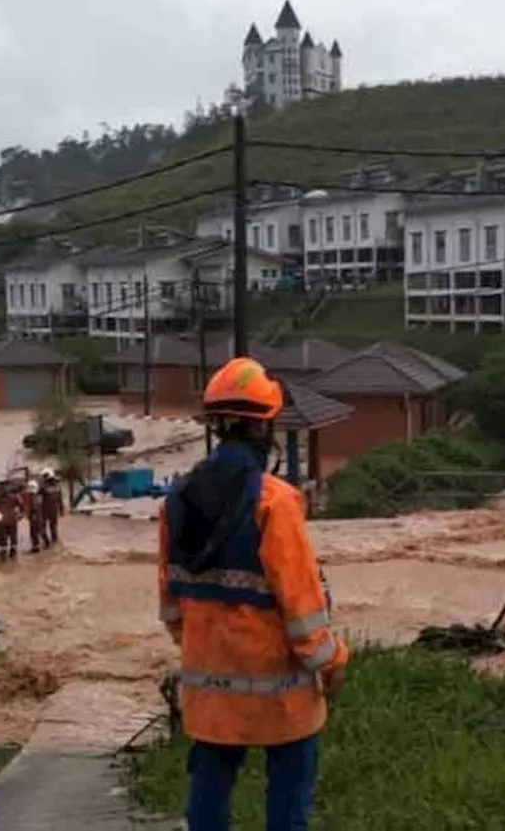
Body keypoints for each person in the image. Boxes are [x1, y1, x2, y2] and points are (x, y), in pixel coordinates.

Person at [159, 356, 349, 831]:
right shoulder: (275, 502)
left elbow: (170, 605)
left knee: (209, 789)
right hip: (280, 690)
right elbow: (302, 606)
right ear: (264, 428)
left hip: (208, 688)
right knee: (289, 787)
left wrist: (205, 649)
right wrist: (332, 662)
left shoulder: (176, 499)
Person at [38, 468, 64, 548]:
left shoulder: (42, 488)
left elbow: (37, 499)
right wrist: (61, 510)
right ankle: (54, 542)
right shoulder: (58, 487)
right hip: (54, 510)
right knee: (53, 527)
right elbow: (60, 500)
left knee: (42, 527)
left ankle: (47, 543)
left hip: (44, 510)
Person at [23, 478, 46, 552]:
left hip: (34, 516)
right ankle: (46, 543)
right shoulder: (38, 496)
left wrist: (31, 515)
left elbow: (33, 507)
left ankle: (36, 547)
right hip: (39, 515)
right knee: (41, 530)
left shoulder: (32, 497)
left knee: (34, 533)